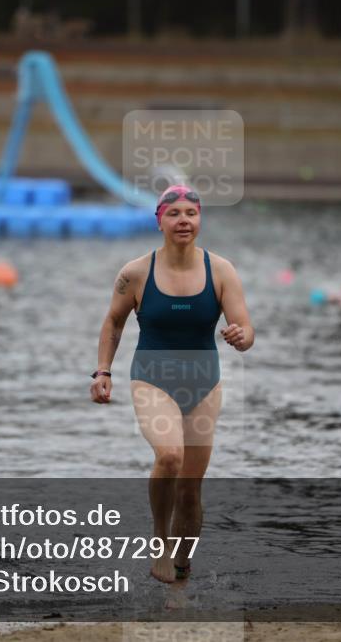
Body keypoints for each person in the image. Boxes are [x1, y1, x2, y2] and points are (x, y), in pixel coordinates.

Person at [90, 185, 254, 585]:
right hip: (151, 378)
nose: (184, 220)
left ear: (200, 220)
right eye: (174, 213)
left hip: (204, 383)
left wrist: (240, 336)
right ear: (159, 221)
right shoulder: (135, 272)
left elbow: (246, 330)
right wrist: (103, 372)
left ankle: (182, 569)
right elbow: (113, 322)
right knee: (169, 457)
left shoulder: (222, 270)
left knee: (190, 489)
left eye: (191, 213)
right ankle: (159, 542)